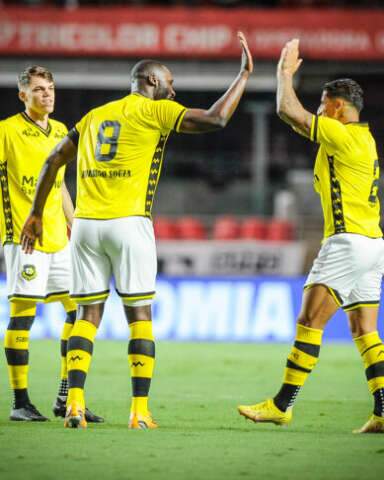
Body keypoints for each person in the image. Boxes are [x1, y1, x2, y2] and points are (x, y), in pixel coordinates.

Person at [20, 31, 253, 429]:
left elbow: (51, 162)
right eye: (170, 83)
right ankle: (139, 411)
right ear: (150, 83)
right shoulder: (154, 112)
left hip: (87, 228)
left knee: (86, 316)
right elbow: (217, 118)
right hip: (129, 225)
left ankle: (74, 404)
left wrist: (37, 214)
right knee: (139, 316)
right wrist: (244, 74)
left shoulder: (93, 117)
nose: (174, 91)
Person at [238, 39, 384, 434]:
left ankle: (281, 405)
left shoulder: (344, 135)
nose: (318, 111)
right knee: (364, 329)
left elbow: (288, 111)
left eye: (322, 104)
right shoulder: (363, 140)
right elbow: (302, 122)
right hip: (373, 244)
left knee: (308, 321)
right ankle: (383, 410)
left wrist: (284, 74)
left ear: (337, 107)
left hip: (348, 242)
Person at [0, 66, 102, 423]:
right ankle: (20, 402)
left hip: (60, 241)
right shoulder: (5, 132)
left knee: (78, 312)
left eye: (51, 89)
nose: (48, 95)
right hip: (24, 241)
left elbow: (58, 187)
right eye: (40, 90)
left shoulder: (60, 131)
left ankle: (65, 395)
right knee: (23, 317)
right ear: (22, 95)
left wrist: (77, 228)